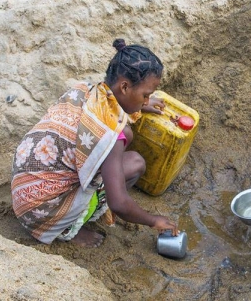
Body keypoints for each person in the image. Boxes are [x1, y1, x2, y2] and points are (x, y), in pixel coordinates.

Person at [11, 39, 179, 248]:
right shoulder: (109, 133)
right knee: (135, 163)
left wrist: (139, 105)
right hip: (41, 213)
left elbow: (114, 106)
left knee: (122, 146)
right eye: (145, 95)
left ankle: (74, 212)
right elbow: (119, 203)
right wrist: (153, 220)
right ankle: (69, 228)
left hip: (24, 187)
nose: (147, 101)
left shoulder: (86, 90)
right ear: (125, 87)